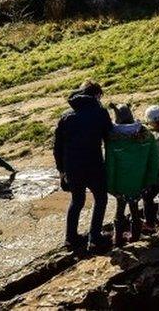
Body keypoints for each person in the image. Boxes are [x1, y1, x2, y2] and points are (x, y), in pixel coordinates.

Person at [54, 80, 113, 251]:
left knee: (77, 201)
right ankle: (95, 237)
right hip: (93, 163)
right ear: (96, 95)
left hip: (72, 166)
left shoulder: (66, 115)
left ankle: (71, 239)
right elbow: (109, 135)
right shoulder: (100, 112)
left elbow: (57, 146)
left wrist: (61, 170)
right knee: (101, 199)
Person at [105, 104, 159, 246]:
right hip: (140, 181)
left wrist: (110, 186)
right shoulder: (147, 135)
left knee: (120, 209)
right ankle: (135, 236)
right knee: (135, 209)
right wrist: (150, 180)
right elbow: (154, 161)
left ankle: (117, 239)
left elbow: (110, 166)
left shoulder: (113, 140)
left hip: (120, 184)